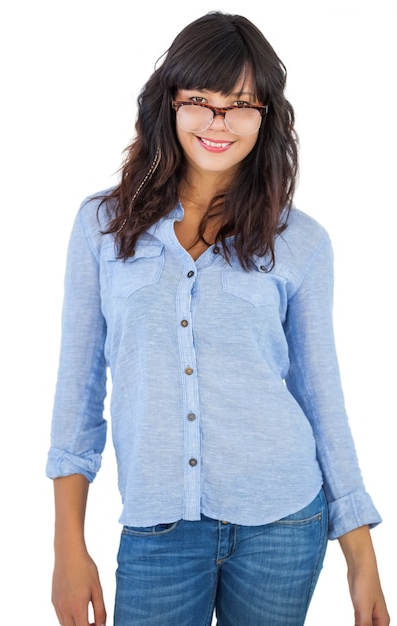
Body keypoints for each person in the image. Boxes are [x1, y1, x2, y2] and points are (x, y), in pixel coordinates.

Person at [46, 11, 390, 626]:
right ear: (169, 105)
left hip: (284, 524)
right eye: (200, 100)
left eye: (240, 104)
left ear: (266, 116)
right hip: (159, 528)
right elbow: (79, 394)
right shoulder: (100, 229)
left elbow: (321, 396)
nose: (218, 122)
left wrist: (360, 556)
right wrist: (67, 545)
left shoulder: (302, 244)